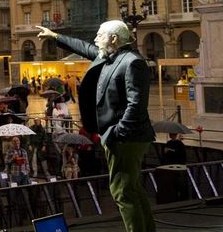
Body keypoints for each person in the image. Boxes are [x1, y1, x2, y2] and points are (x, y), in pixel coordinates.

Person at [38, 21, 156, 232]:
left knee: (122, 191)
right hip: (121, 136)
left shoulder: (132, 62)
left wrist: (116, 132)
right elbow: (86, 48)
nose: (95, 38)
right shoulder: (109, 56)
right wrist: (55, 36)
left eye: (100, 35)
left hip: (127, 138)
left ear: (113, 39)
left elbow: (136, 104)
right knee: (132, 188)